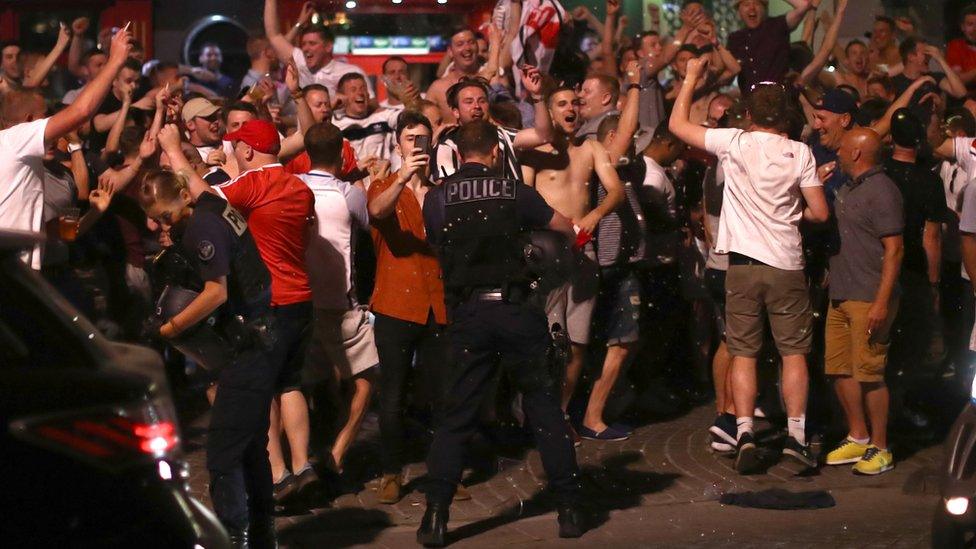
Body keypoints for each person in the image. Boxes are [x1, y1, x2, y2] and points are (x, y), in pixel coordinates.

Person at [419, 120, 583, 545]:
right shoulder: (514, 191)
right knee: (545, 409)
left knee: (456, 416)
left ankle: (434, 516)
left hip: (468, 314)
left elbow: (438, 239)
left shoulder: (438, 197)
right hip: (515, 309)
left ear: (457, 155)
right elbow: (564, 226)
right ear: (495, 153)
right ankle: (568, 508)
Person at [669, 57, 830, 474]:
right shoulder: (800, 152)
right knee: (793, 353)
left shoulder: (735, 143)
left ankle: (743, 431)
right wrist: (794, 212)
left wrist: (688, 80)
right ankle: (796, 436)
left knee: (744, 353)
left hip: (741, 265)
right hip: (787, 264)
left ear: (752, 114)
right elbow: (820, 213)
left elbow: (678, 127)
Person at [161, 119, 319, 507]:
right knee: (292, 384)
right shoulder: (300, 187)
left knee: (261, 391)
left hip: (268, 302)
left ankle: (279, 476)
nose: (232, 153)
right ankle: (304, 468)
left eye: (235, 147)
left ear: (247, 151)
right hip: (302, 295)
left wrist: (173, 149)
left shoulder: (251, 185)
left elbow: (204, 197)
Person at [137, 167, 277, 546]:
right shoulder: (212, 204)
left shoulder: (202, 227)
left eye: (165, 215)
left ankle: (235, 537)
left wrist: (171, 329)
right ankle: (261, 534)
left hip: (246, 348)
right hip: (259, 339)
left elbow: (217, 293)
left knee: (222, 454)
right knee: (249, 446)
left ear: (183, 196)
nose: (161, 224)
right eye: (155, 218)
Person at [367, 110, 450, 503]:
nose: (418, 144)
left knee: (442, 394)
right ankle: (390, 470)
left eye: (424, 138)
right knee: (393, 395)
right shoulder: (383, 186)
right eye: (411, 138)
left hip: (438, 305)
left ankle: (445, 472)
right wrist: (403, 177)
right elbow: (377, 213)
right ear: (398, 143)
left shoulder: (442, 191)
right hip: (396, 305)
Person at [0, 27, 132, 270]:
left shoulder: (24, 161)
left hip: (27, 281)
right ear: (30, 121)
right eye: (46, 118)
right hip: (11, 284)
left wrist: (94, 212)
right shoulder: (13, 140)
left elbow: (52, 232)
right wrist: (115, 61)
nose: (53, 126)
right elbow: (80, 112)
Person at [297, 122, 380, 475]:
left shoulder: (294, 187)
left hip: (303, 300)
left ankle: (310, 450)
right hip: (341, 303)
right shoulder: (349, 195)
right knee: (366, 378)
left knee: (311, 380)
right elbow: (368, 224)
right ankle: (339, 450)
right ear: (342, 153)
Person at [823, 128, 904, 476]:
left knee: (870, 373)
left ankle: (881, 446)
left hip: (869, 295)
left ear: (856, 153)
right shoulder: (847, 186)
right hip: (841, 292)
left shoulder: (883, 191)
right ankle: (858, 435)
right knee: (840, 368)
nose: (836, 151)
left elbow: (895, 249)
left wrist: (881, 302)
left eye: (842, 147)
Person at [432, 68, 552, 182]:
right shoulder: (447, 146)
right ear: (456, 112)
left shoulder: (502, 135)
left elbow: (543, 136)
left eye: (482, 101)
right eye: (469, 102)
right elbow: (447, 192)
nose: (477, 106)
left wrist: (537, 96)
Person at [264, 0, 373, 99]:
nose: (306, 48)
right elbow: (274, 36)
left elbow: (372, 103)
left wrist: (347, 100)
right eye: (303, 44)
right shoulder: (300, 62)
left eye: (312, 43)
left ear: (328, 47)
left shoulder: (351, 72)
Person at [727, 0, 815, 95]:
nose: (752, 8)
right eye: (746, 4)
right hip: (751, 103)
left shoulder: (777, 26)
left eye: (756, 3)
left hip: (780, 99)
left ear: (764, 7)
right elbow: (727, 73)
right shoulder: (735, 39)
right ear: (739, 10)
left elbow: (803, 5)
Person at [427, 29, 484, 120]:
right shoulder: (438, 88)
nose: (467, 48)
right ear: (450, 51)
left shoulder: (493, 80)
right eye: (460, 44)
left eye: (471, 42)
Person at [892, 37, 966, 100]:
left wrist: (940, 59)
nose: (930, 56)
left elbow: (961, 93)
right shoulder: (894, 82)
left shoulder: (935, 77)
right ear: (911, 56)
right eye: (925, 53)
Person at [947, 4, 976, 94]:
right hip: (966, 101)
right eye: (970, 24)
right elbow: (957, 80)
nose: (975, 29)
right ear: (962, 27)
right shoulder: (956, 46)